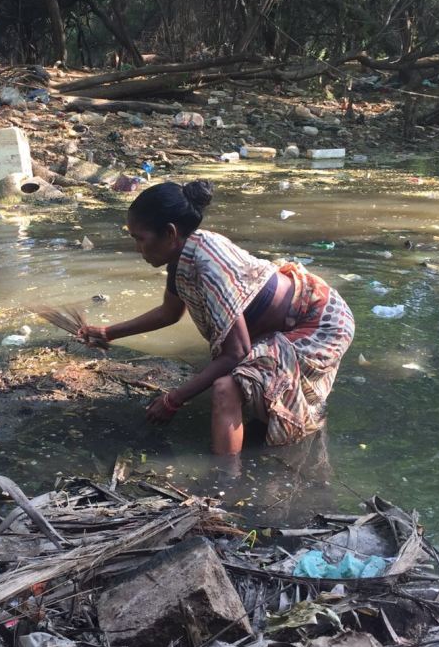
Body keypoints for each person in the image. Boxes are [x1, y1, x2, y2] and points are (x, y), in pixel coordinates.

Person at [79, 180, 354, 463]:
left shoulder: (208, 265)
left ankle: (226, 482)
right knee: (252, 390)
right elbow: (169, 313)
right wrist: (108, 332)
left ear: (170, 233)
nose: (138, 249)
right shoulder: (184, 255)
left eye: (140, 238)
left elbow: (235, 353)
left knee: (227, 388)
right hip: (289, 320)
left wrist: (173, 400)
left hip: (319, 324)